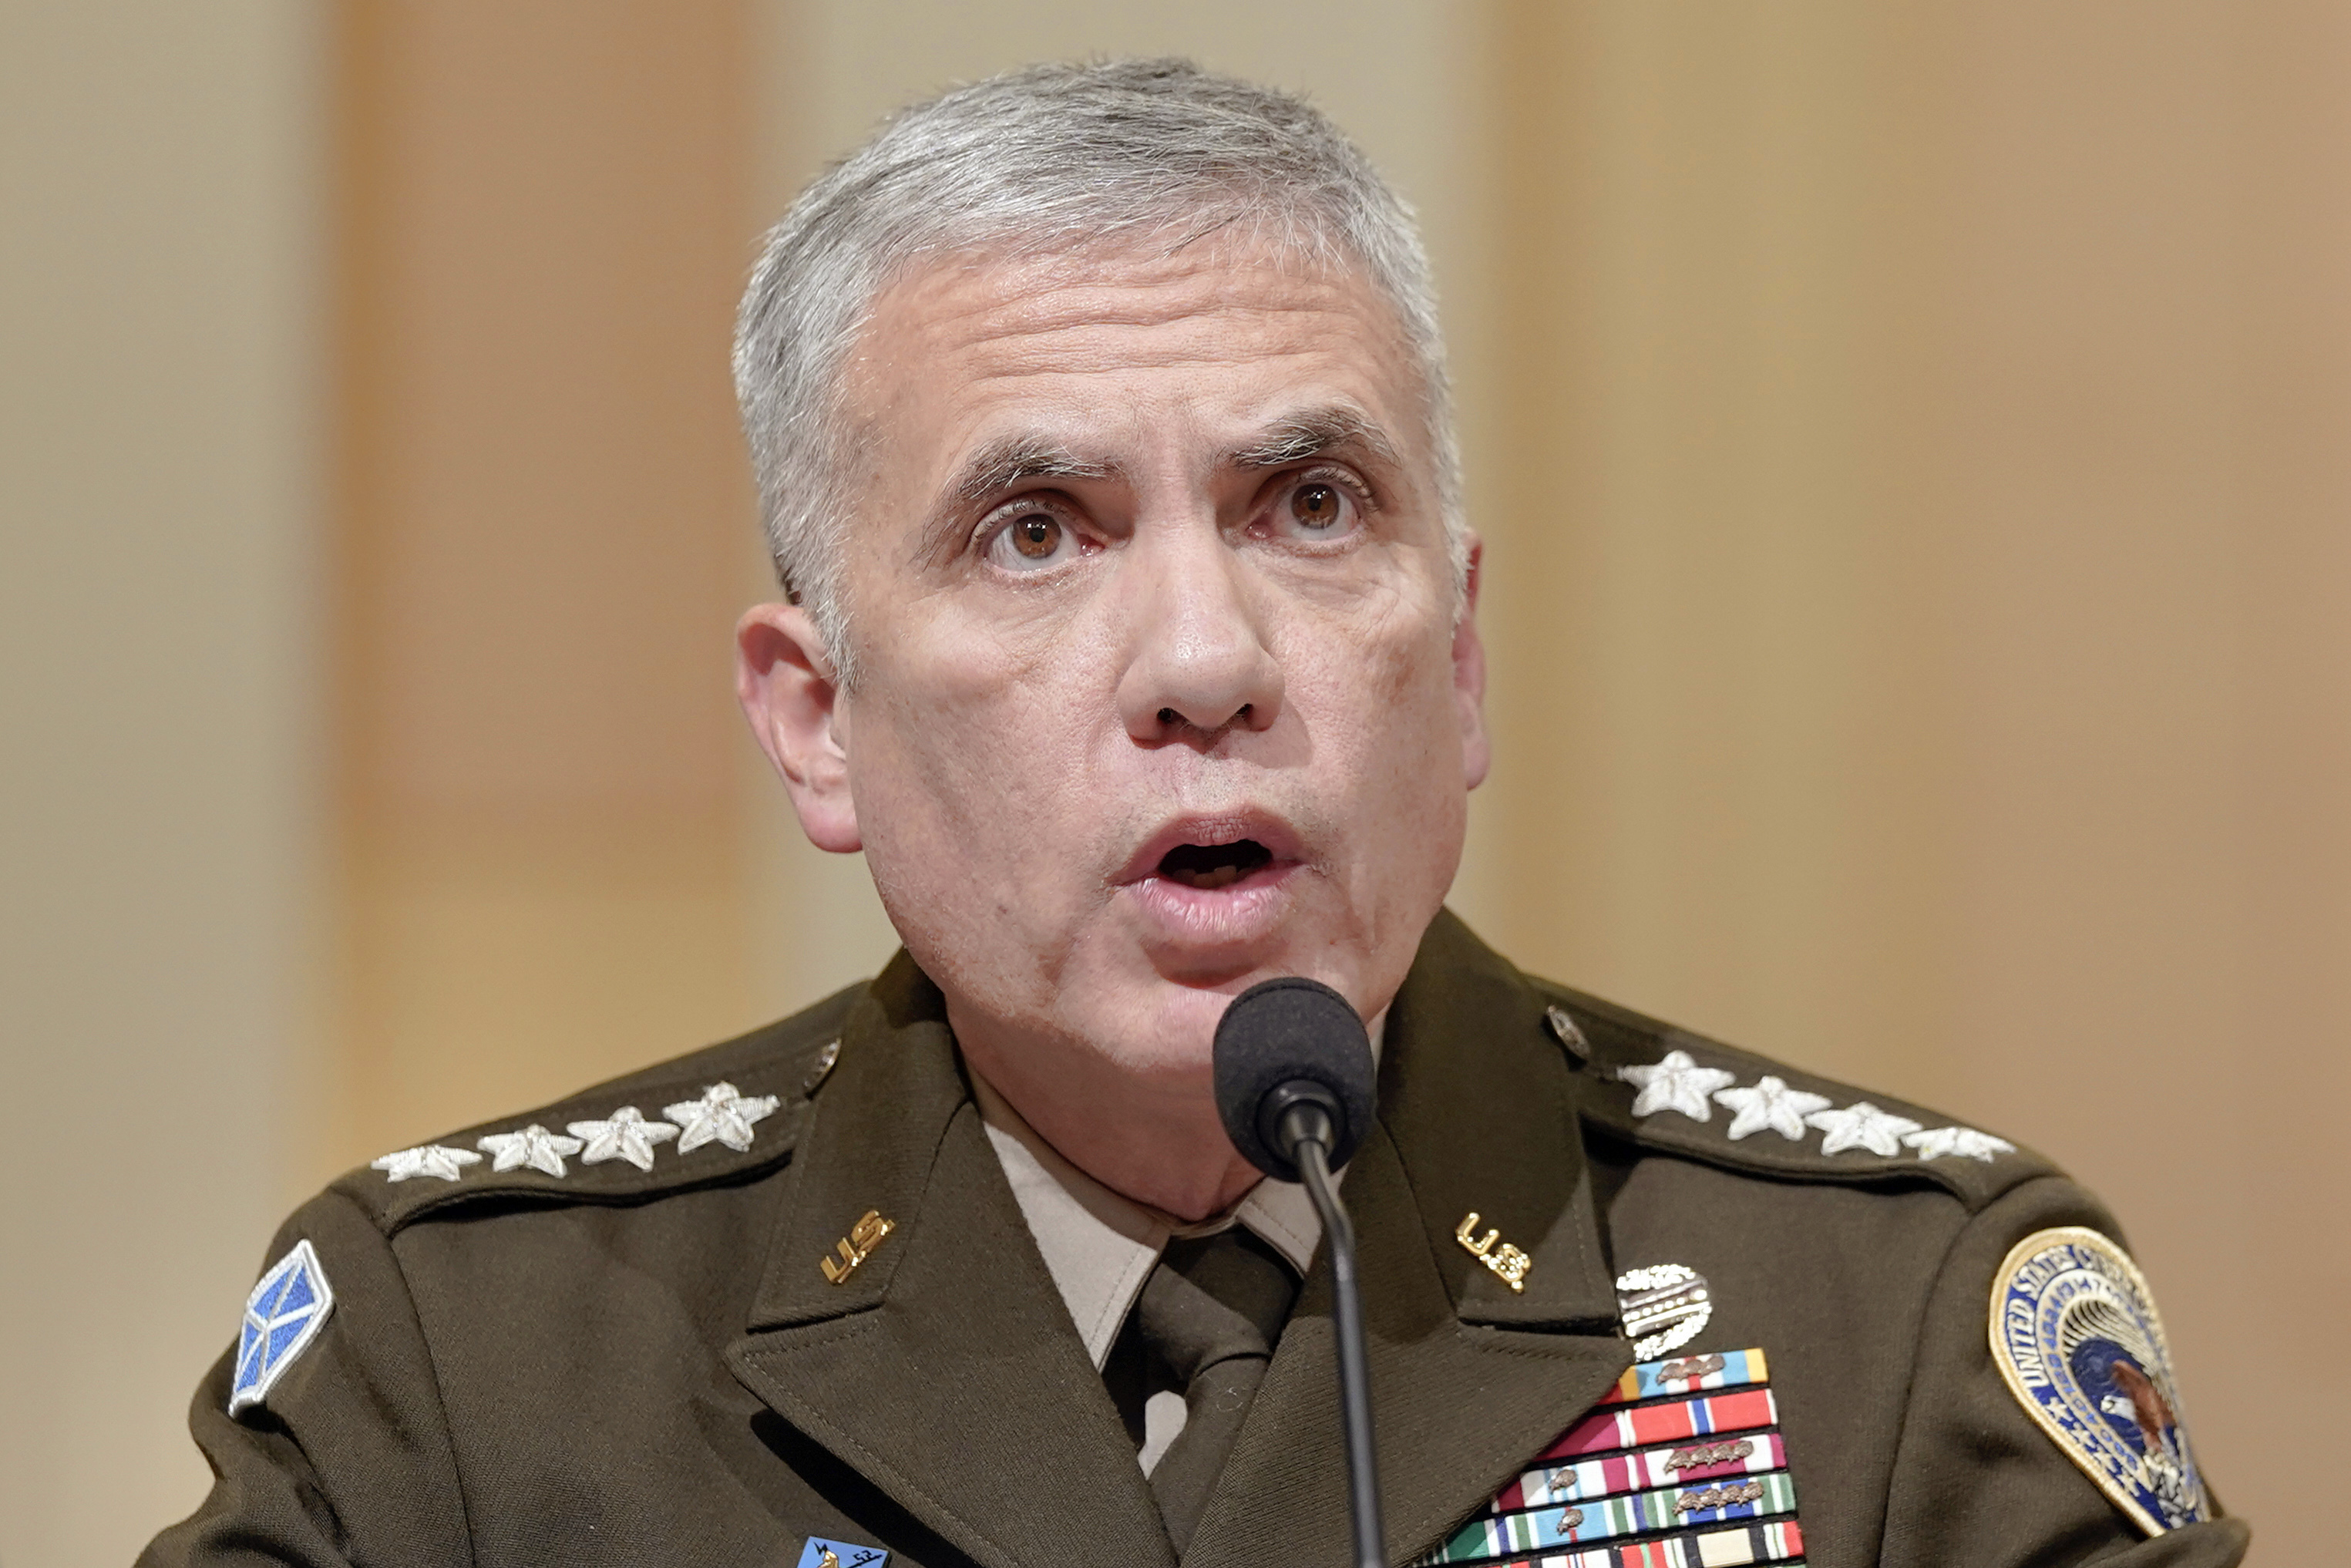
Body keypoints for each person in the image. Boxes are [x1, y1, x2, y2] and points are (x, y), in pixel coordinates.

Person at [142, 59, 2247, 1568]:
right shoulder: (479, 1364)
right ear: (815, 723)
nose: (1204, 656)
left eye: (1309, 506)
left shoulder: (1888, 1326)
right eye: (1034, 529)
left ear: (1464, 652)